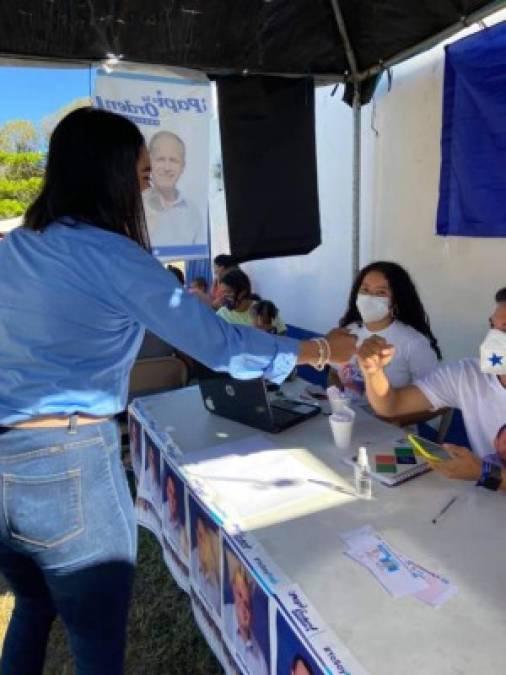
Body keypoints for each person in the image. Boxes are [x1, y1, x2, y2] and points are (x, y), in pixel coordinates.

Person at [0, 106, 356, 673]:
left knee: (32, 608)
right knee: (96, 644)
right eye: (142, 175)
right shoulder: (113, 254)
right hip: (68, 462)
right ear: (109, 176)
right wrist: (319, 351)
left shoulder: (14, 249)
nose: (147, 187)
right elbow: (220, 346)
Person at [357, 288, 506, 491]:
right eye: (493, 326)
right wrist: (373, 371)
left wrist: (486, 473)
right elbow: (391, 405)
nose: (494, 337)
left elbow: (486, 474)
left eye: (505, 330)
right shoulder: (468, 376)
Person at [329, 261, 441, 398]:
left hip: (392, 419)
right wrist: (336, 400)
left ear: (396, 301)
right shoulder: (348, 332)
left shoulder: (413, 342)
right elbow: (334, 373)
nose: (370, 297)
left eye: (381, 292)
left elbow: (431, 396)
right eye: (365, 290)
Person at [143, 131, 204, 248]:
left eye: (174, 160)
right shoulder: (134, 207)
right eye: (160, 159)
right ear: (150, 162)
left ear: (183, 166)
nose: (167, 168)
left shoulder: (192, 212)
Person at [225, 563, 268, 675]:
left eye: (246, 602)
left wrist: (245, 633)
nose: (242, 606)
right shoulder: (223, 613)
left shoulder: (260, 661)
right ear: (233, 588)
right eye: (239, 595)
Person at [217, 268, 287, 335]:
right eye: (222, 292)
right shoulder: (221, 315)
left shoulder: (265, 309)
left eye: (228, 292)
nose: (223, 297)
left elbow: (282, 334)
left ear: (243, 292)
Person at [193, 516, 221, 615]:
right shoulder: (194, 554)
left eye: (202, 536)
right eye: (198, 534)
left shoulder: (219, 580)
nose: (199, 541)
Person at [162, 472, 189, 557]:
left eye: (176, 496)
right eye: (170, 491)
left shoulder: (185, 526)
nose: (173, 500)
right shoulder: (163, 508)